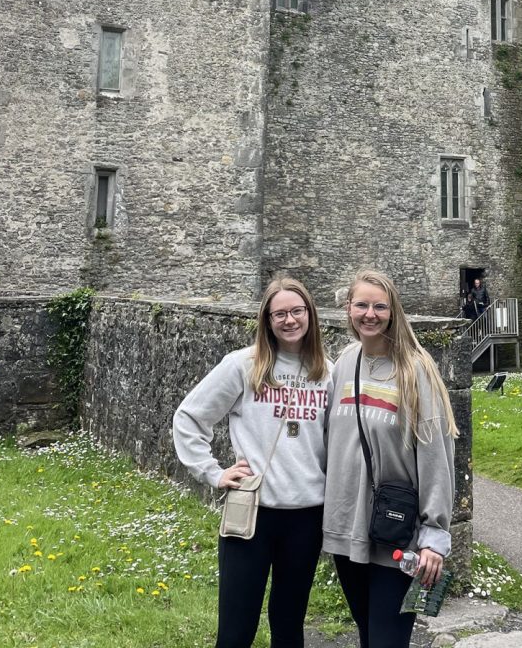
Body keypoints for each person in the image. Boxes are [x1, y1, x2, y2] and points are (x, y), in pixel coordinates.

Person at [172, 277, 331, 648]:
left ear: (310, 314)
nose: (289, 320)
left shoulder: (326, 371)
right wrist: (213, 472)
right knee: (236, 628)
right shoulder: (244, 365)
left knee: (289, 627)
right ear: (267, 319)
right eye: (280, 314)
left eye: (297, 311)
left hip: (307, 517)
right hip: (252, 513)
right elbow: (190, 417)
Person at [323, 268, 458, 648]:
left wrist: (434, 534)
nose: (370, 314)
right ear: (348, 309)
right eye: (361, 305)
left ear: (393, 311)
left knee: (387, 641)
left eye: (379, 306)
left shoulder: (416, 370)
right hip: (347, 527)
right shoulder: (345, 362)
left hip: (395, 533)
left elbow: (436, 454)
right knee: (368, 635)